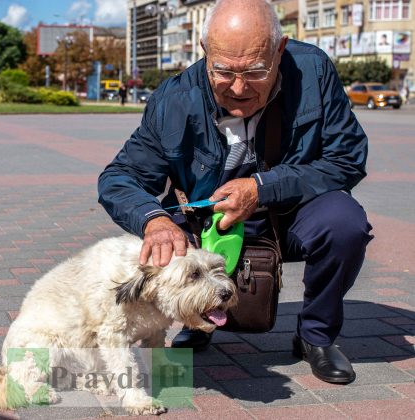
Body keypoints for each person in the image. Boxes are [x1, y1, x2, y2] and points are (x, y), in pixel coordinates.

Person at [98, 0, 372, 385]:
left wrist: (263, 189)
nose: (239, 88)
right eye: (223, 71)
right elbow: (119, 176)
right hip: (205, 221)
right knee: (166, 245)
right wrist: (154, 220)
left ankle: (316, 337)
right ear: (204, 49)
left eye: (256, 71)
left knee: (345, 224)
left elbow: (347, 158)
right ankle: (198, 320)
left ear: (280, 49)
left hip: (292, 212)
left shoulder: (313, 71)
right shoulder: (173, 99)